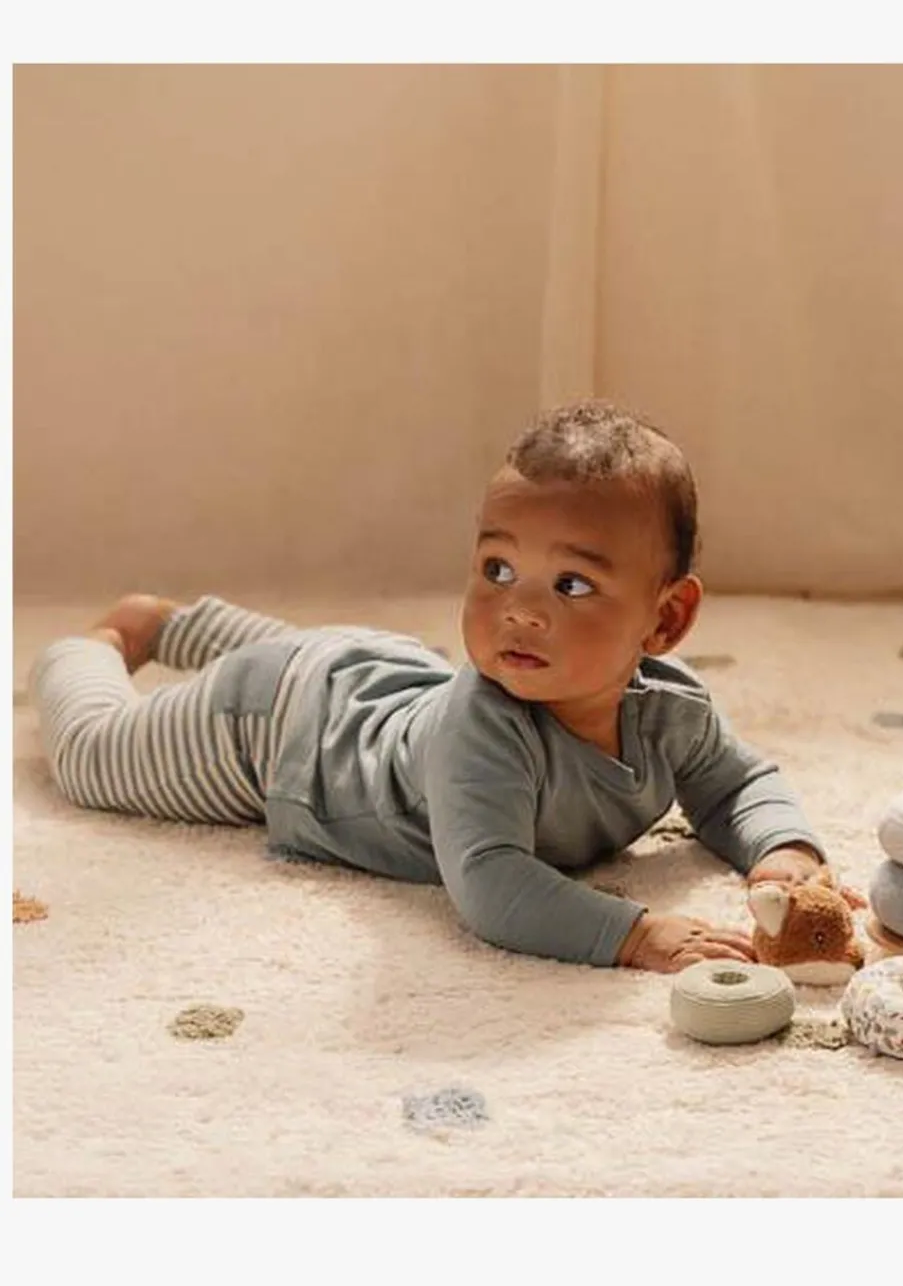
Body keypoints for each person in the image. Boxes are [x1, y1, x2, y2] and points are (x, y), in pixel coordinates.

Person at [31, 400, 830, 972]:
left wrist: (782, 852)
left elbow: (736, 784)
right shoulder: (484, 728)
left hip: (366, 673)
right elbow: (490, 883)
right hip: (271, 738)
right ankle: (103, 643)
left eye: (572, 585)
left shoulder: (672, 708)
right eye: (498, 569)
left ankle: (179, 623)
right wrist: (635, 932)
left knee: (318, 659)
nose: (519, 610)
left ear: (665, 621)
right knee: (94, 756)